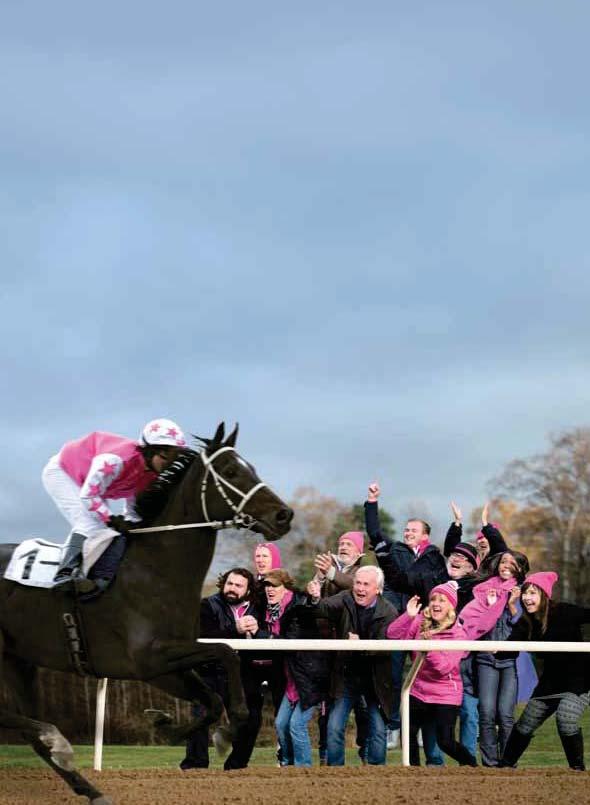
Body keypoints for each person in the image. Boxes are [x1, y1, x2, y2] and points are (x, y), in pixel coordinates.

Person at [42, 418, 186, 590]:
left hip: (89, 485)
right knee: (89, 523)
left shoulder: (150, 475)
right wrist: (111, 519)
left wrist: (132, 525)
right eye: (166, 456)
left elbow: (133, 508)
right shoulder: (115, 460)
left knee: (107, 531)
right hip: (62, 472)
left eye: (174, 457)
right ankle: (64, 575)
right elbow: (89, 497)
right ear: (149, 450)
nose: (169, 463)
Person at [365, 482, 447, 757]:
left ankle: (423, 727)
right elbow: (375, 532)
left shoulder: (435, 557)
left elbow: (440, 585)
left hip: (425, 624)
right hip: (400, 621)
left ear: (425, 535)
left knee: (426, 674)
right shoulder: (394, 551)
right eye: (406, 529)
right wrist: (372, 502)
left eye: (413, 530)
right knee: (394, 674)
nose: (407, 533)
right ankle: (395, 724)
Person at [307, 566, 398, 766]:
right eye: (358, 583)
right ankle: (336, 771)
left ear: (378, 589)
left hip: (375, 681)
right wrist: (315, 598)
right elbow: (323, 608)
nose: (360, 588)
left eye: (366, 584)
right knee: (334, 727)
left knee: (377, 730)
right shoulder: (345, 597)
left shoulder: (389, 611)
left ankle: (377, 772)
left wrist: (360, 644)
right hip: (346, 676)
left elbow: (384, 648)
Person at [500, 572, 590, 771]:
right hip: (551, 681)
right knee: (525, 724)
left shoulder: (564, 611)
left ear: (544, 595)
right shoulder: (526, 622)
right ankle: (505, 766)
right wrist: (494, 651)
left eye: (532, 593)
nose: (527, 598)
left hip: (580, 680)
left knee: (566, 718)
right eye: (525, 593)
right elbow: (508, 649)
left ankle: (577, 770)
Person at [180, 567, 264, 770]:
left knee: (251, 720)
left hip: (242, 673)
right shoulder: (207, 605)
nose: (232, 589)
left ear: (248, 590)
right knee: (200, 717)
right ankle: (195, 766)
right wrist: (235, 630)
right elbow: (205, 635)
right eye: (229, 584)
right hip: (210, 670)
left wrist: (258, 631)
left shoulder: (258, 608)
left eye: (238, 586)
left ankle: (236, 766)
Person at [386, 581, 478, 767]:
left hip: (445, 694)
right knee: (408, 733)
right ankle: (414, 774)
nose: (436, 603)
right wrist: (408, 616)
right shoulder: (420, 620)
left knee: (445, 741)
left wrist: (429, 647)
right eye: (433, 599)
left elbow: (443, 668)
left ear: (451, 606)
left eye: (442, 600)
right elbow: (392, 636)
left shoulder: (459, 634)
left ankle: (472, 766)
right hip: (418, 690)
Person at [459, 550, 529, 766]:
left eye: (511, 562)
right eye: (503, 561)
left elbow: (524, 626)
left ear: (520, 567)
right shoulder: (484, 589)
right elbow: (473, 620)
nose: (505, 565)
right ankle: (490, 764)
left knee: (506, 715)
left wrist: (511, 605)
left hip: (509, 662)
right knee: (487, 713)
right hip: (485, 659)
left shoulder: (525, 591)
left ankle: (508, 762)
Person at [311, 530, 368, 765]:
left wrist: (331, 574)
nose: (343, 547)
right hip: (329, 652)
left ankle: (367, 755)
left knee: (363, 710)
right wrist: (315, 591)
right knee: (328, 709)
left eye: (348, 544)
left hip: (359, 653)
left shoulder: (364, 571)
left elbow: (354, 587)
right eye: (341, 543)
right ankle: (327, 757)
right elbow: (319, 609)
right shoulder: (327, 573)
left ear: (359, 551)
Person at [262, 569, 329, 767]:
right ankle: (287, 764)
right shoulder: (269, 610)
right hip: (292, 679)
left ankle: (303, 768)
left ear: (286, 588)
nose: (269, 590)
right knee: (281, 724)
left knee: (296, 725)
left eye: (274, 585)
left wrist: (262, 635)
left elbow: (294, 633)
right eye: (267, 586)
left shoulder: (299, 606)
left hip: (310, 678)